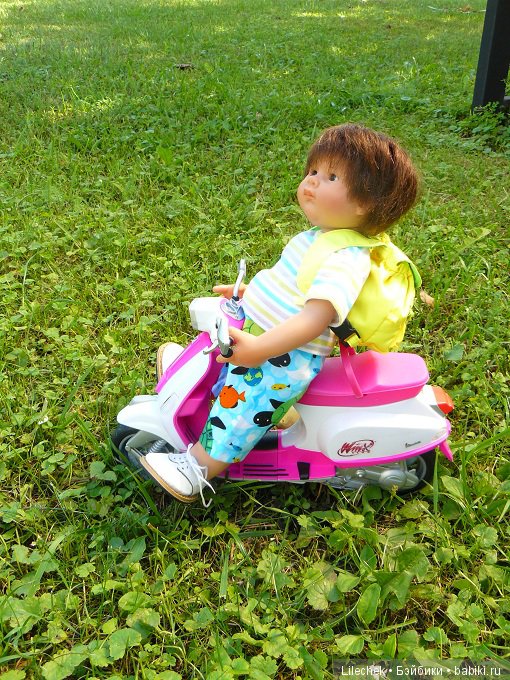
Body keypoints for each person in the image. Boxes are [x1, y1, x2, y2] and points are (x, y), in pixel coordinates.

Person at [140, 123, 420, 505]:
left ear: (364, 204)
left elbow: (314, 319)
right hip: (265, 336)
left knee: (241, 407)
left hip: (285, 357)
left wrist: (261, 351)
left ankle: (198, 469)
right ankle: (202, 381)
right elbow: (291, 283)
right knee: (224, 354)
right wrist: (250, 293)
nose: (312, 181)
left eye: (331, 177)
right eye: (313, 170)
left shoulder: (346, 260)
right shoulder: (320, 237)